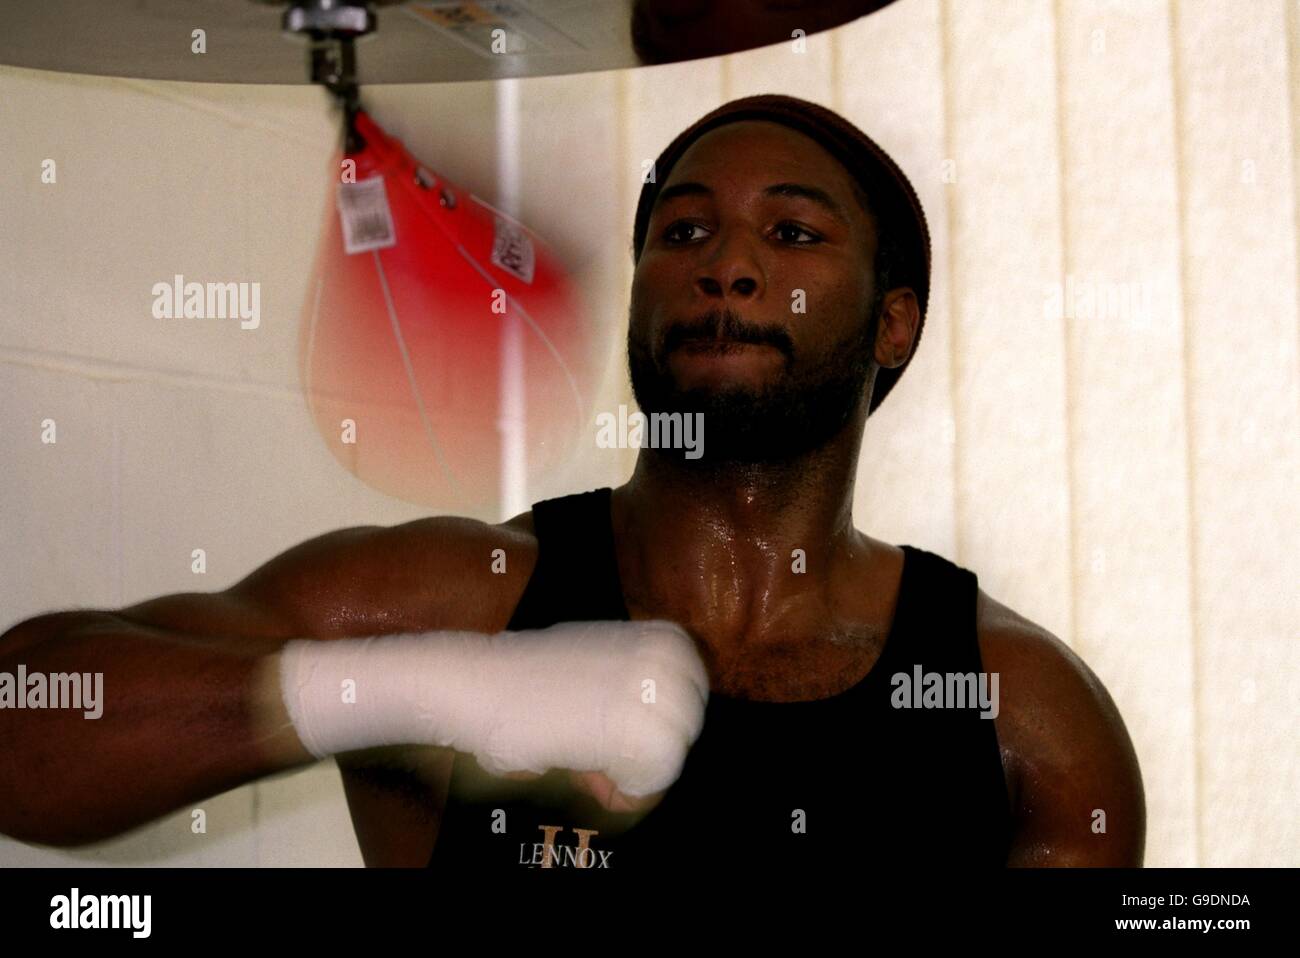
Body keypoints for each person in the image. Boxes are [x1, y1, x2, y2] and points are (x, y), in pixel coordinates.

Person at [0, 95, 1144, 869]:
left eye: (793, 235)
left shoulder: (1021, 712)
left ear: (892, 324)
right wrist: (401, 691)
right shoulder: (461, 599)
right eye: (683, 230)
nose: (727, 265)